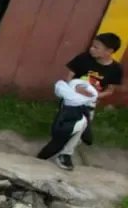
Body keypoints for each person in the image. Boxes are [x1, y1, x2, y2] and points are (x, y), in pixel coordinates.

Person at [35, 33, 123, 170]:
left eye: (96, 47)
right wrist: (75, 89)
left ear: (109, 51)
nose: (92, 49)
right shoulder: (84, 59)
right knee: (68, 127)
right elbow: (69, 76)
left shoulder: (115, 69)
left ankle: (64, 154)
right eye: (92, 46)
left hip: (90, 104)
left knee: (80, 129)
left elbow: (110, 90)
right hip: (72, 100)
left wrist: (94, 96)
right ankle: (59, 150)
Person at [36, 78, 98, 171]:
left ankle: (64, 154)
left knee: (76, 132)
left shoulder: (74, 98)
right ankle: (59, 155)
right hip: (71, 120)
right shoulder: (75, 98)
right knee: (59, 141)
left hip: (74, 116)